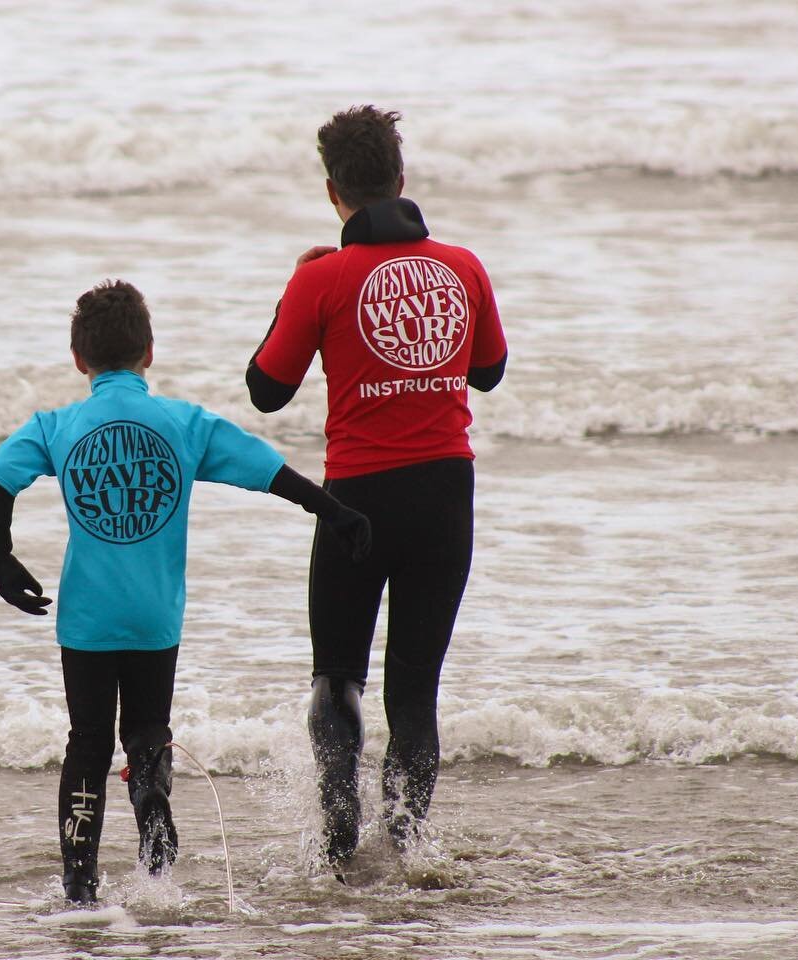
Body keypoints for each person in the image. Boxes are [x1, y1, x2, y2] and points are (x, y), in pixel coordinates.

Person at [0, 279, 371, 905]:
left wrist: (0, 556)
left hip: (85, 618)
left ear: (79, 359)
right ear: (150, 352)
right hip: (154, 619)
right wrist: (336, 513)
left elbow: (2, 474)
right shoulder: (184, 423)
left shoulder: (56, 425)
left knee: (87, 739)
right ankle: (155, 841)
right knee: (147, 731)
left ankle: (79, 884)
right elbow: (269, 472)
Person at [246, 106, 508, 868]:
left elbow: (267, 389)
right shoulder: (463, 266)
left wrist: (293, 291)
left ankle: (335, 847)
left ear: (333, 191)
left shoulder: (322, 279)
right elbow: (488, 373)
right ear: (402, 178)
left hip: (355, 500)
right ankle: (411, 848)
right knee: (415, 691)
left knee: (337, 678)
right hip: (443, 495)